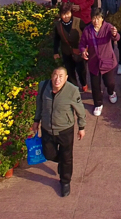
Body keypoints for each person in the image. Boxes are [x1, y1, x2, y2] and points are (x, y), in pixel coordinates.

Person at [32, 66, 86, 198]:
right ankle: (61, 161)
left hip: (65, 130)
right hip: (47, 128)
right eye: (55, 75)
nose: (58, 79)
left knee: (67, 157)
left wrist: (81, 127)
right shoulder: (43, 86)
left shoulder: (72, 91)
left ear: (66, 78)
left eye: (61, 76)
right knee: (48, 154)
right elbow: (39, 104)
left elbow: (80, 110)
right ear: (51, 76)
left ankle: (65, 181)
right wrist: (36, 120)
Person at [79, 7, 120, 117]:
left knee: (109, 82)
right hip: (94, 62)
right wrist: (83, 51)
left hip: (107, 61)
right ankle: (98, 104)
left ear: (102, 18)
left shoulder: (108, 27)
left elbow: (116, 37)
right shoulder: (87, 30)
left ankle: (111, 92)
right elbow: (82, 44)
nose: (95, 21)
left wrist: (115, 34)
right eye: (93, 18)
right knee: (95, 86)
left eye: (98, 18)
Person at [52, 4, 87, 92]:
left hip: (79, 51)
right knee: (70, 72)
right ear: (60, 15)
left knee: (81, 70)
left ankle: (84, 83)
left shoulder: (79, 21)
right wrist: (55, 52)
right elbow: (56, 39)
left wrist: (86, 47)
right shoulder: (58, 25)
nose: (66, 16)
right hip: (66, 52)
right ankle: (74, 89)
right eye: (63, 14)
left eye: (68, 13)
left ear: (71, 13)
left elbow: (87, 35)